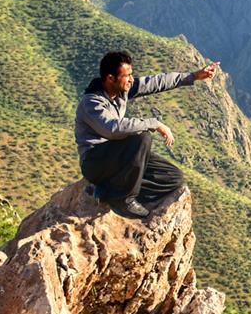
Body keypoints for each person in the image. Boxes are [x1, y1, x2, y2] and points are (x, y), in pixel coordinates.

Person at [75, 50, 217, 218]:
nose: (131, 79)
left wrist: (193, 76)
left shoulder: (122, 91)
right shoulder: (91, 102)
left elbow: (156, 82)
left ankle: (110, 191)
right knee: (141, 137)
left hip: (118, 158)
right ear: (110, 78)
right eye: (126, 75)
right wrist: (154, 123)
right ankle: (124, 200)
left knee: (173, 178)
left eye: (131, 74)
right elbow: (113, 129)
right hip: (96, 162)